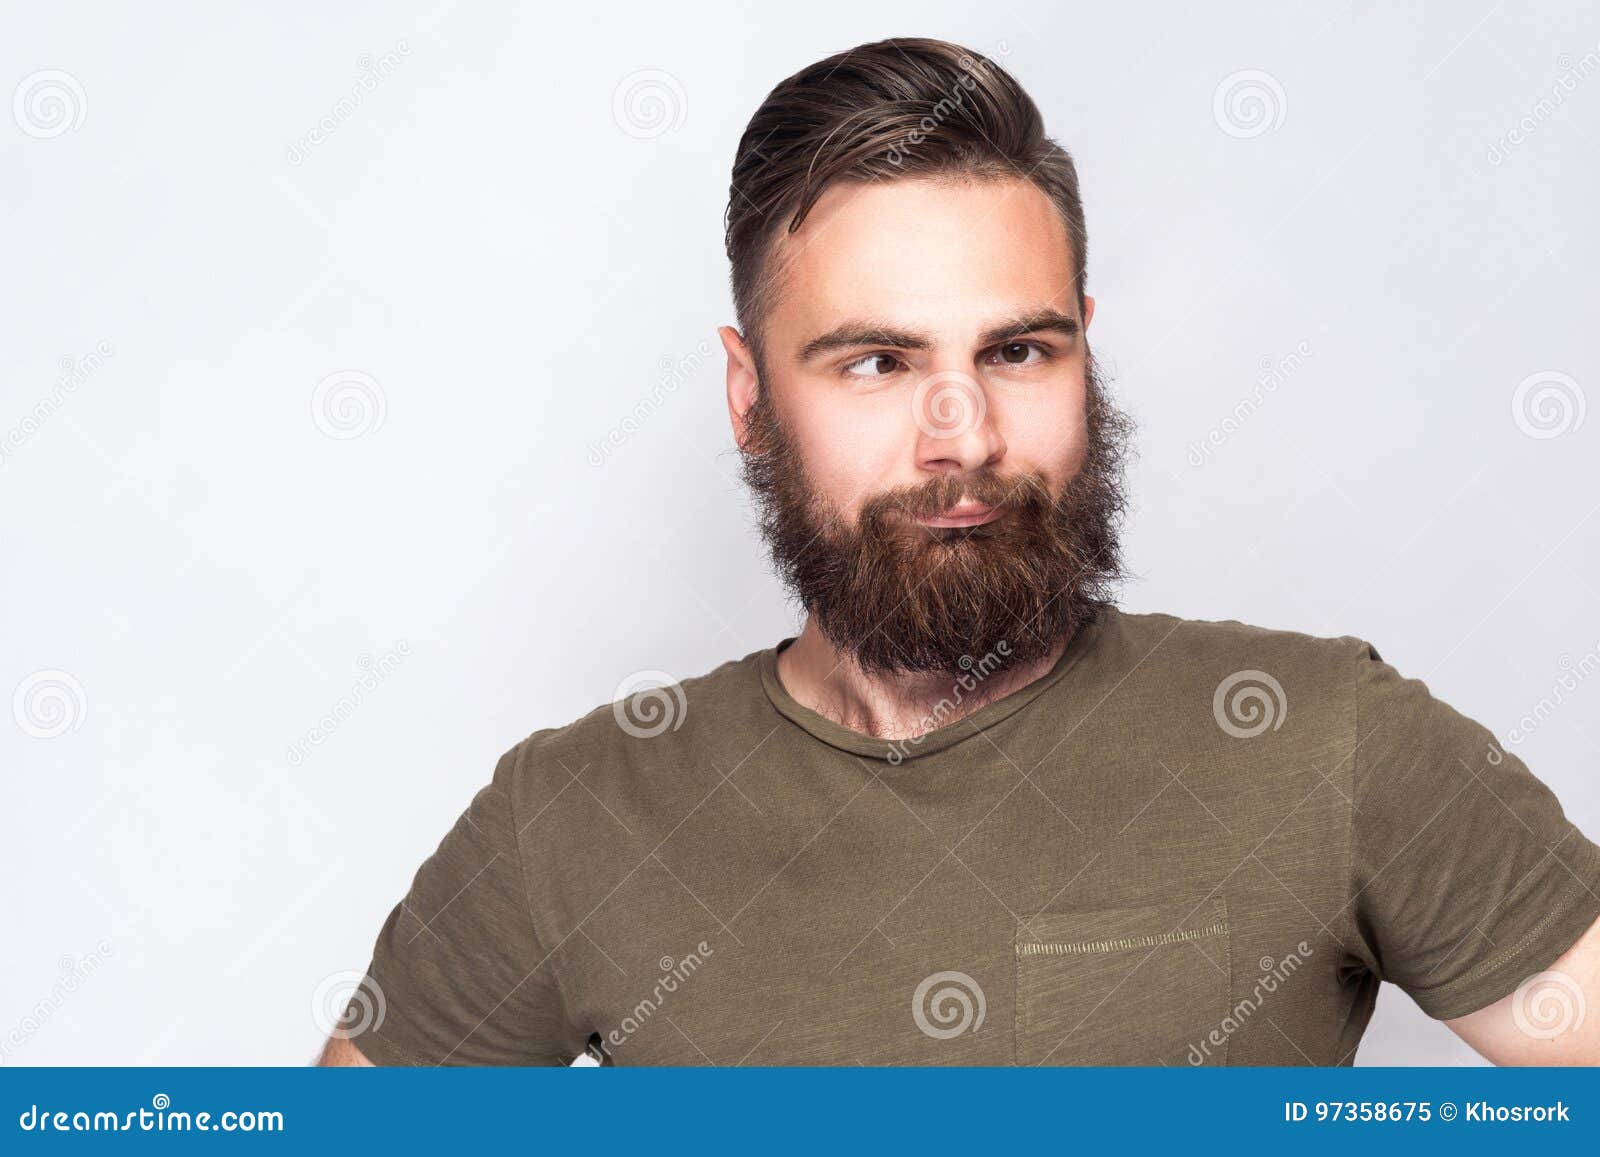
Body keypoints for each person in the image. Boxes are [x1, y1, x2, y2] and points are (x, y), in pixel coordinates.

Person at [320, 37, 1600, 1067]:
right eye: (875, 361)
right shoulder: (573, 815)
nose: (965, 434)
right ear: (749, 394)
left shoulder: (1328, 738)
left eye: (1017, 351)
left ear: (1084, 350)